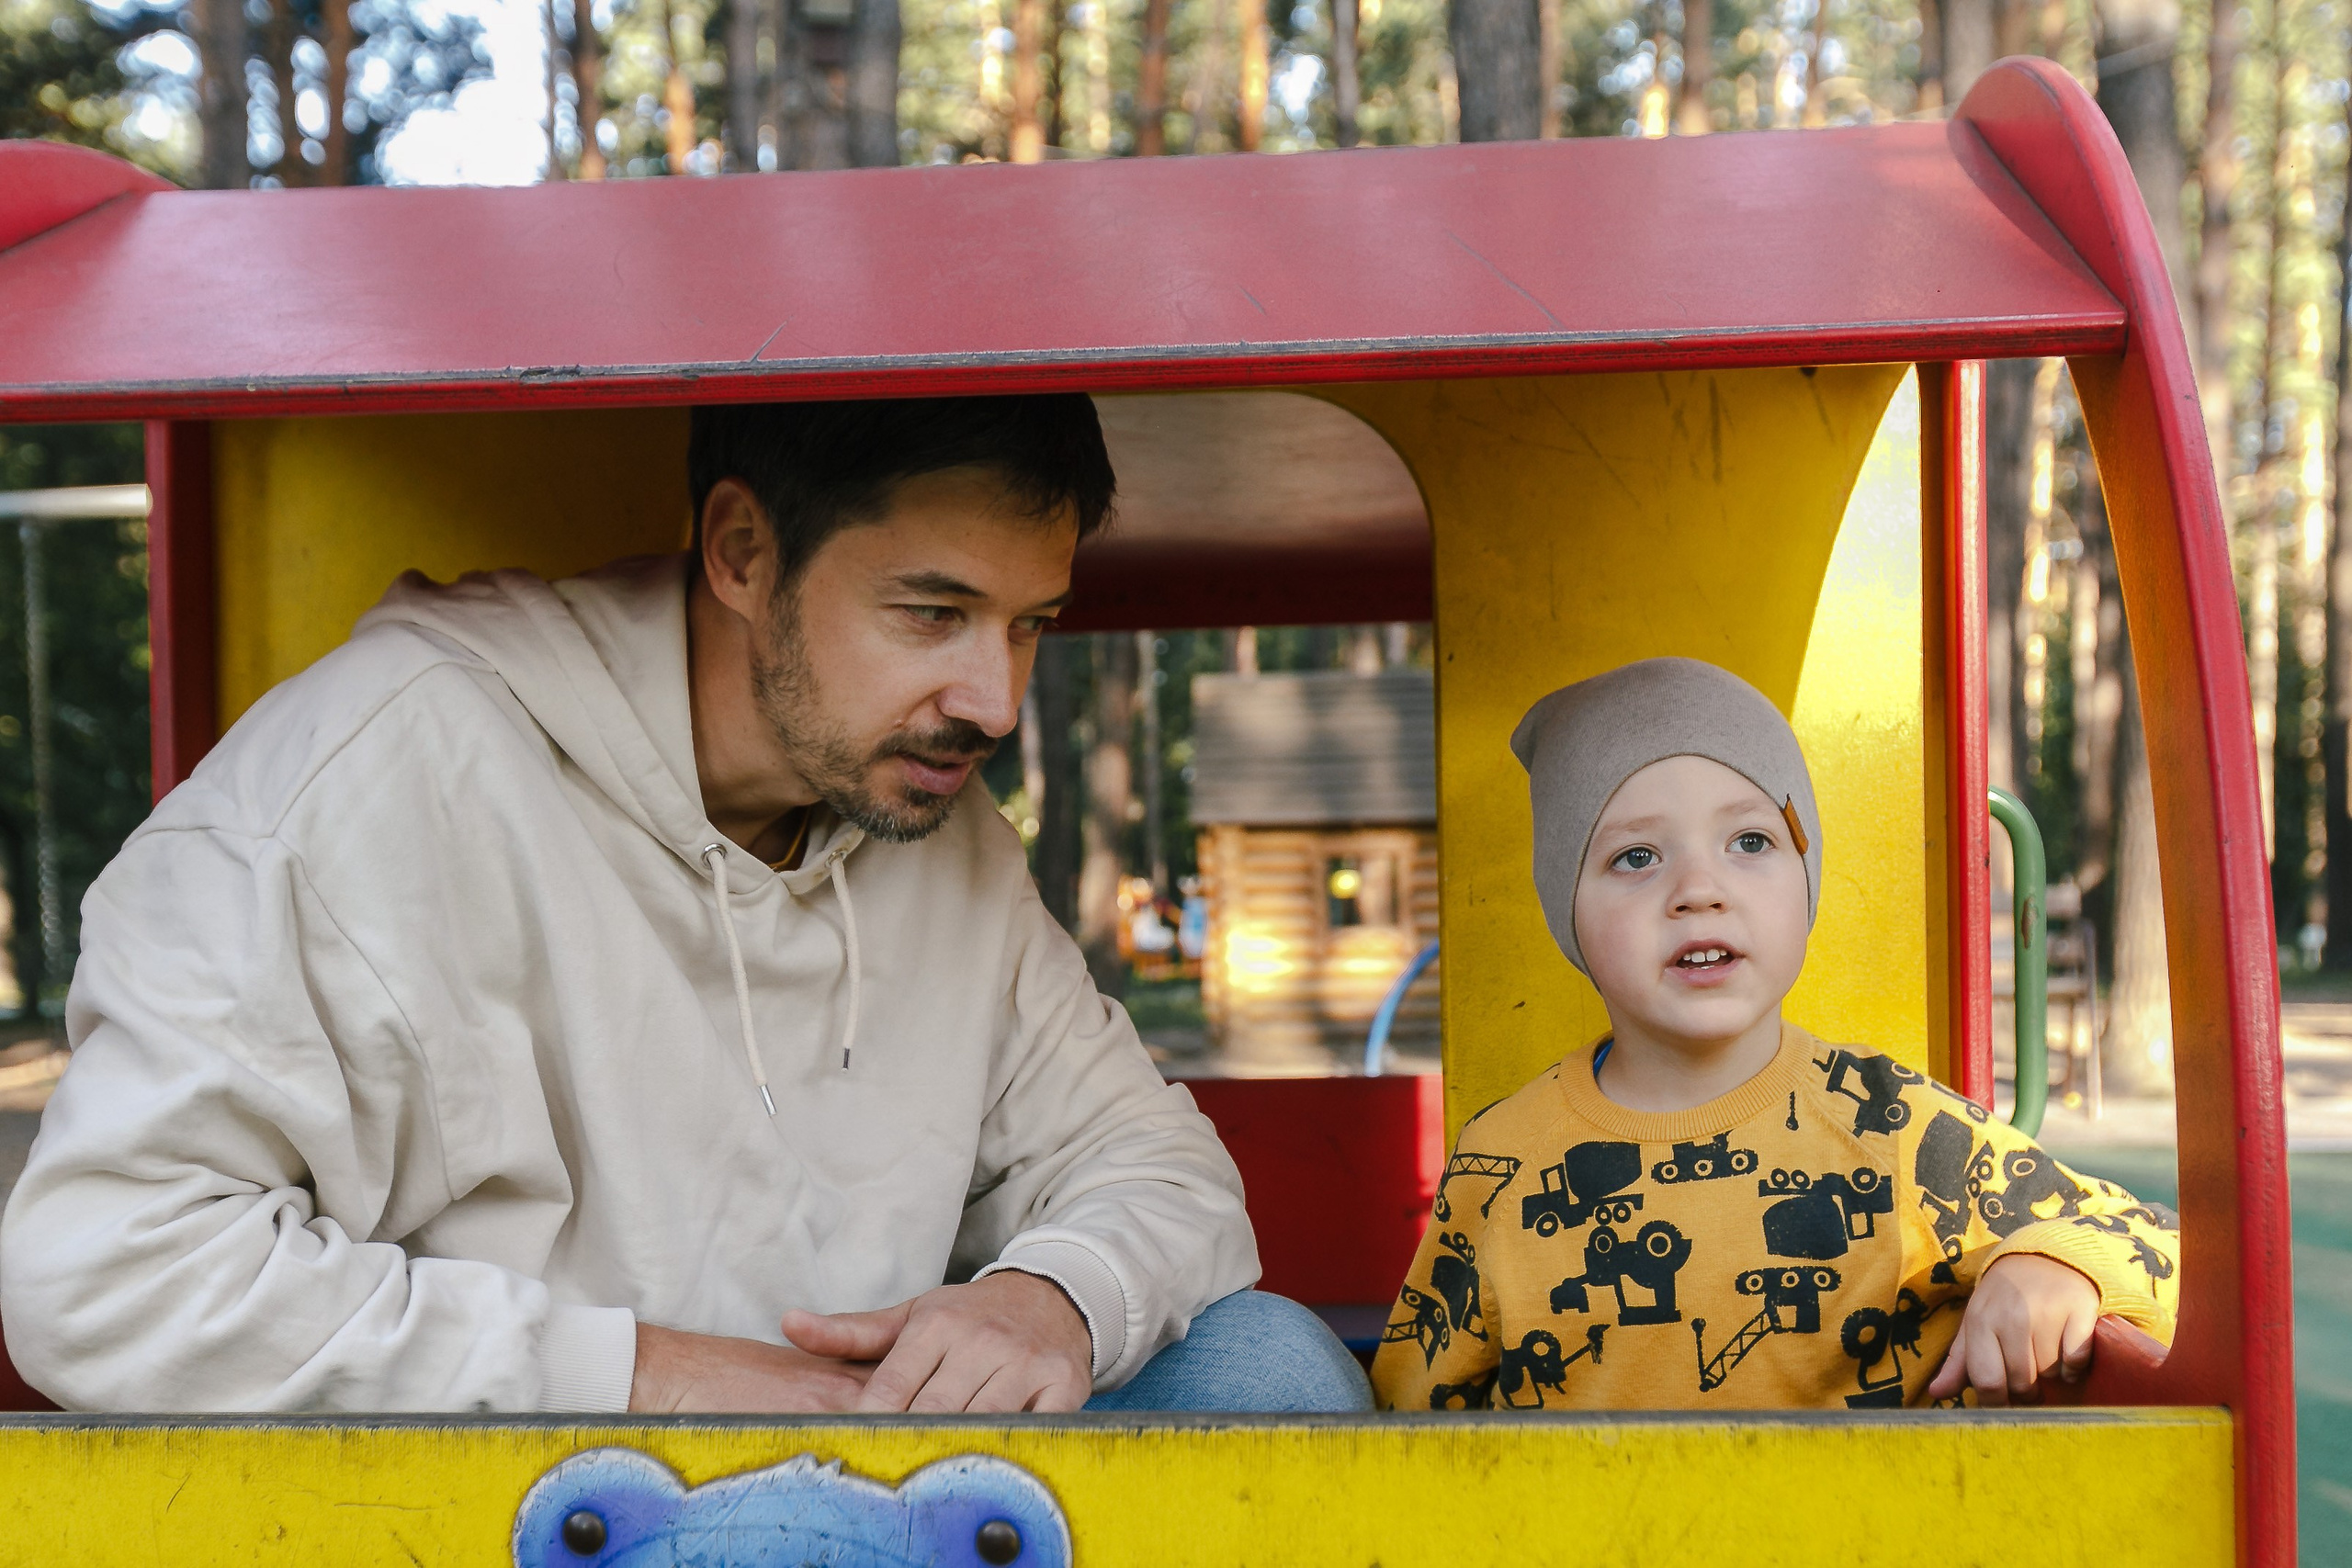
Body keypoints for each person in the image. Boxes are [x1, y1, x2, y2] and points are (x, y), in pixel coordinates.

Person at [0, 395, 1370, 1416]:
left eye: (1030, 623)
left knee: (1272, 1367)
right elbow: (107, 1272)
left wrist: (1043, 1299)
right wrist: (647, 1374)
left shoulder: (936, 830)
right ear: (740, 549)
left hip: (872, 1460)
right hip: (533, 1498)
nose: (994, 700)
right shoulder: (370, 781)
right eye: (932, 612)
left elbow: (1161, 1169)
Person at [1372, 658, 2178, 1412]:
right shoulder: (1502, 1161)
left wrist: (2048, 1263)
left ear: (1805, 880)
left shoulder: (1896, 1128)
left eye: (1750, 841)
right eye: (1636, 856)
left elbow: (2161, 1243)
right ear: (1568, 914)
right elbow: (1402, 1432)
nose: (1699, 890)